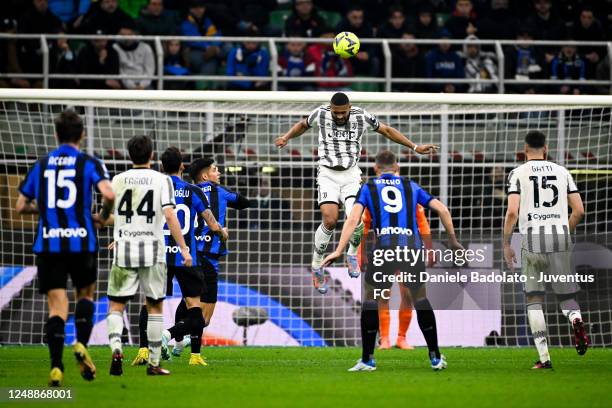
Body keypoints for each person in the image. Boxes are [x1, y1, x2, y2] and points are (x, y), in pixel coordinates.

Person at [275, 92, 438, 294]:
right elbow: (302, 125)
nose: (340, 116)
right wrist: (286, 137)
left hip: (351, 174)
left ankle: (352, 254)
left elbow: (386, 130)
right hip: (327, 173)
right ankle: (317, 267)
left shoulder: (361, 116)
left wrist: (414, 146)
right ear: (331, 108)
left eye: (343, 112)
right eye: (336, 112)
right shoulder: (321, 113)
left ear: (350, 108)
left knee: (357, 219)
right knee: (330, 220)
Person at [322, 150, 463, 371]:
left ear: (375, 169)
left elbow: (353, 219)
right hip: (410, 251)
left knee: (372, 300)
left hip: (384, 251)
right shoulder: (411, 186)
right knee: (419, 299)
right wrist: (453, 241)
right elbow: (442, 210)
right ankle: (435, 357)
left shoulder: (368, 187)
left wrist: (339, 249)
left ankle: (368, 359)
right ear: (396, 168)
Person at [16, 110, 115, 386]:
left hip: (49, 243)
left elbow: (20, 206)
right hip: (82, 240)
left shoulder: (42, 164)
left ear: (56, 134)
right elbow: (109, 194)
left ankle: (56, 367)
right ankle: (81, 344)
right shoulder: (89, 163)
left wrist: (44, 208)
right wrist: (103, 216)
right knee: (85, 295)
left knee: (57, 308)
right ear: (82, 134)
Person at [104, 135, 192, 376]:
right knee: (154, 306)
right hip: (153, 250)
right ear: (152, 156)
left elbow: (110, 215)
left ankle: (115, 348)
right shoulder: (162, 180)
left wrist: (108, 224)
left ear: (129, 155)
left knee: (116, 304)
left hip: (124, 249)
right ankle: (154, 364)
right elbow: (170, 215)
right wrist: (184, 249)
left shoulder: (117, 179)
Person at [133, 147, 227, 367]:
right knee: (195, 307)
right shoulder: (193, 191)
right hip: (186, 258)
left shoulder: (154, 191)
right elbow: (212, 224)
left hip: (159, 257)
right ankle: (194, 355)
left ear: (161, 167)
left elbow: (140, 218)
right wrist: (222, 233)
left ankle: (144, 350)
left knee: (149, 304)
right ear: (182, 166)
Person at [503, 131, 589, 369]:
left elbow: (512, 212)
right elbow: (579, 211)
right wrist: (565, 231)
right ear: (546, 148)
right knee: (567, 297)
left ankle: (544, 358)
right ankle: (576, 319)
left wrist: (506, 243)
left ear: (524, 148)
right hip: (560, 238)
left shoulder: (517, 173)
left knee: (534, 298)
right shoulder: (562, 172)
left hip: (532, 239)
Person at [166, 158, 250, 346]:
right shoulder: (219, 192)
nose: (219, 172)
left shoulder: (187, 191)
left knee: (190, 301)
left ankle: (178, 344)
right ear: (205, 175)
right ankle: (168, 335)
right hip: (209, 258)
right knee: (203, 319)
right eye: (215, 169)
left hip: (191, 254)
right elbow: (244, 202)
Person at [180, 0, 223, 80]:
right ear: (191, 9)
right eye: (196, 8)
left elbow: (216, 34)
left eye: (201, 8)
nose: (199, 10)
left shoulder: (207, 20)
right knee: (211, 61)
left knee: (228, 50)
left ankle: (204, 88)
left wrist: (215, 47)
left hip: (211, 49)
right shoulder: (186, 21)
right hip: (194, 51)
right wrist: (208, 47)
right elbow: (193, 40)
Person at [335, 4, 378, 76]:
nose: (358, 21)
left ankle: (372, 85)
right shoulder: (341, 26)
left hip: (364, 56)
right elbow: (339, 48)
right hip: (348, 57)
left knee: (375, 61)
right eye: (355, 18)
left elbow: (373, 45)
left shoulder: (367, 26)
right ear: (348, 16)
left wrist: (368, 54)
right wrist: (355, 54)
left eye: (360, 18)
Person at [112, 22, 155, 90]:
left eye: (129, 34)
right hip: (125, 86)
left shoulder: (146, 47)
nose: (126, 38)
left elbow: (149, 70)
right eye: (123, 35)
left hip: (145, 85)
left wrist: (142, 85)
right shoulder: (115, 48)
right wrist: (132, 87)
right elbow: (120, 71)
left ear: (135, 34)